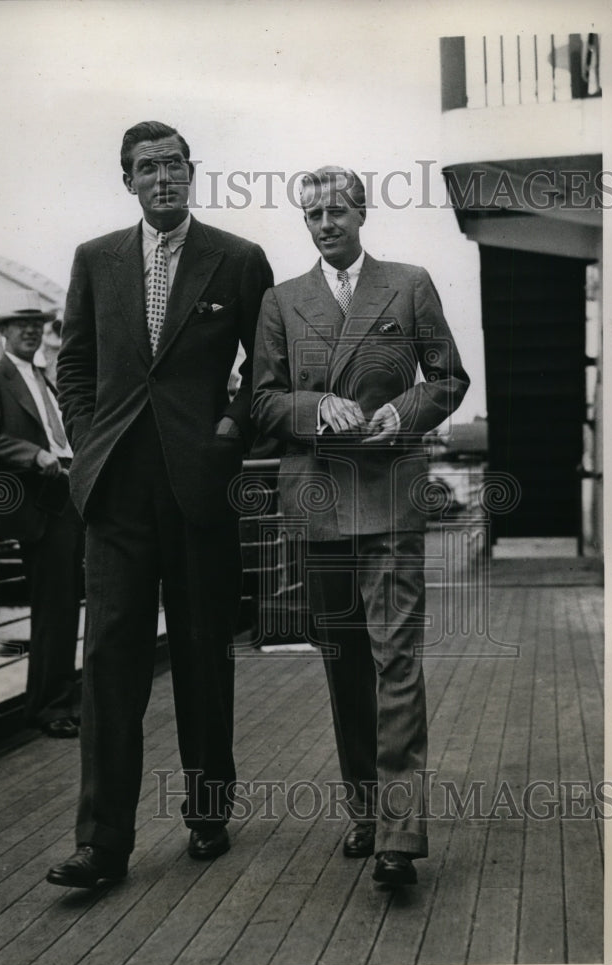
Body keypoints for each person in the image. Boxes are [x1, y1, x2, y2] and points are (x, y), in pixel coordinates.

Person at [47, 120, 273, 889]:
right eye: (147, 168)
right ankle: (101, 843)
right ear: (128, 181)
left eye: (174, 165)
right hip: (115, 488)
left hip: (198, 486)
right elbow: (73, 362)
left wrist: (227, 433)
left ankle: (207, 811)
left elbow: (264, 369)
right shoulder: (94, 259)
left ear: (191, 173)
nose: (162, 178)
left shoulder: (237, 261)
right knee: (109, 660)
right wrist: (85, 437)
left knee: (204, 652)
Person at [251, 166, 470, 886]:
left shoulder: (408, 283)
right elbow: (264, 400)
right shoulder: (280, 301)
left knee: (395, 660)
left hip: (388, 496)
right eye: (311, 213)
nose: (324, 223)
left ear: (361, 211)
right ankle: (367, 813)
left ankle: (400, 838)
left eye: (336, 210)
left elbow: (446, 377)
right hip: (317, 502)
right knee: (343, 662)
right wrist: (317, 408)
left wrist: (399, 413)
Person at [0, 290, 84, 739]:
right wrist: (30, 454)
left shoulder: (44, 379)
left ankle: (59, 699)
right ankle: (50, 707)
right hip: (39, 504)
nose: (31, 331)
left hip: (67, 501)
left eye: (36, 324)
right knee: (54, 609)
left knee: (66, 606)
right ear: (3, 332)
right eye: (21, 324)